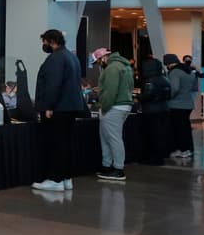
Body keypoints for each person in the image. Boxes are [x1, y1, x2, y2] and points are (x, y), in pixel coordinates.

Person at [32, 29, 85, 193]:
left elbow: (53, 85)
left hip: (58, 108)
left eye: (44, 42)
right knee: (65, 143)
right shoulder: (71, 56)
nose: (43, 45)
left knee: (55, 144)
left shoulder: (55, 59)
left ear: (51, 41)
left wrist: (49, 106)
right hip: (70, 107)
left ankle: (55, 179)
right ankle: (65, 178)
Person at [94, 48, 133, 183]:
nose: (99, 64)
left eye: (99, 61)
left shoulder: (112, 68)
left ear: (104, 57)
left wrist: (104, 106)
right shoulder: (124, 65)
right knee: (108, 137)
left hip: (114, 106)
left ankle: (117, 169)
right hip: (123, 105)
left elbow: (111, 91)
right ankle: (108, 166)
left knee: (113, 138)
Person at [137, 55, 172, 164]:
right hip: (164, 109)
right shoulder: (165, 79)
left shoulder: (150, 81)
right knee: (160, 135)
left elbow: (148, 95)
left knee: (151, 136)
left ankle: (153, 158)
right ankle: (160, 156)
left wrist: (137, 97)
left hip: (151, 111)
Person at [164, 53, 196, 160]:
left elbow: (175, 88)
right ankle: (189, 149)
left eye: (166, 64)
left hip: (177, 105)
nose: (166, 67)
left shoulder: (174, 72)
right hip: (188, 104)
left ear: (169, 63)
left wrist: (167, 97)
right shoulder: (188, 70)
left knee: (178, 129)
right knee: (186, 128)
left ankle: (182, 150)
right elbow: (194, 87)